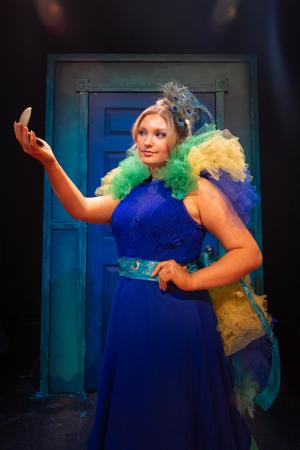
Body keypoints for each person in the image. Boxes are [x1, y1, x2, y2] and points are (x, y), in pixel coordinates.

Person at [14, 81, 280, 450]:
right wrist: (50, 161)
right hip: (130, 309)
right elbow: (81, 208)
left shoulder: (197, 191)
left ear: (177, 141)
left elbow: (248, 252)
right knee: (136, 402)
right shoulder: (132, 191)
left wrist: (191, 279)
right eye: (142, 132)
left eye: (159, 133)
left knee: (172, 407)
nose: (147, 140)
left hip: (176, 312)